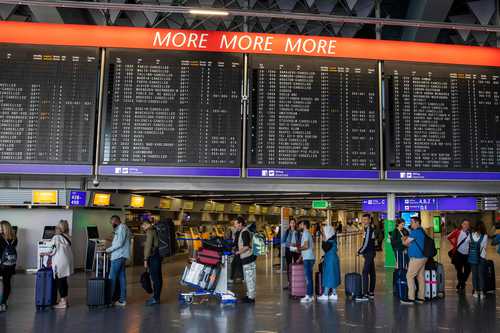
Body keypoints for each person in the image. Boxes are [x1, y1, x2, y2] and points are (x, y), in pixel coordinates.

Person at [46, 220, 74, 309]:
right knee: (64, 281)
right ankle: (65, 300)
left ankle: (63, 302)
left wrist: (46, 254)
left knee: (60, 282)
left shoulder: (56, 237)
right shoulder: (68, 236)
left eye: (57, 226)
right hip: (67, 261)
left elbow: (52, 249)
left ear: (60, 228)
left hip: (59, 261)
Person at [106, 215, 131, 307]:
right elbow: (118, 241)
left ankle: (109, 300)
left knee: (112, 278)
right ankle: (122, 300)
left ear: (115, 221)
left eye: (111, 222)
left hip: (118, 256)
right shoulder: (122, 228)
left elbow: (119, 243)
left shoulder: (122, 228)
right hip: (121, 256)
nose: (111, 224)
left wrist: (108, 250)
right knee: (121, 278)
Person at [401, 217, 426, 305]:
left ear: (417, 223)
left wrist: (403, 239)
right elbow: (413, 242)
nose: (410, 224)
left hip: (416, 258)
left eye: (412, 222)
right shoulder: (422, 231)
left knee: (409, 276)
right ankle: (421, 297)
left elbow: (405, 243)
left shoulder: (415, 232)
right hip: (423, 257)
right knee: (420, 277)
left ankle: (411, 298)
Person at [234, 216, 256, 304]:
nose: (235, 225)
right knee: (248, 278)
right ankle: (249, 295)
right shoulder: (243, 231)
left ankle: (251, 298)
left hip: (248, 259)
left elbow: (246, 246)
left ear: (240, 224)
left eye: (236, 224)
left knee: (250, 278)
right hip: (246, 259)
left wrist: (238, 252)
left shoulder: (244, 232)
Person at [317, 222, 341, 302]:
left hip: (330, 260)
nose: (323, 235)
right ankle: (334, 293)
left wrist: (323, 233)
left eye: (324, 233)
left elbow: (324, 247)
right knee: (333, 275)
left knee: (328, 276)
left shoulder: (328, 242)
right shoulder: (333, 240)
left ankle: (325, 294)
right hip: (334, 259)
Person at [355, 214, 376, 302]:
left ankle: (365, 294)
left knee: (365, 273)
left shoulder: (368, 229)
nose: (364, 221)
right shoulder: (367, 229)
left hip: (369, 253)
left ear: (369, 220)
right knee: (372, 272)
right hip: (371, 252)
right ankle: (371, 292)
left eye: (366, 219)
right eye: (363, 219)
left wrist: (359, 251)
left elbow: (366, 243)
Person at [447, 219, 471, 292]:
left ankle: (461, 282)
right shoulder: (457, 232)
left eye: (467, 224)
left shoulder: (471, 234)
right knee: (459, 270)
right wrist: (454, 244)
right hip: (458, 254)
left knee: (468, 270)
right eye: (464, 224)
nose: (466, 225)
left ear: (469, 226)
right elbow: (449, 237)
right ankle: (462, 284)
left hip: (467, 255)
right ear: (461, 225)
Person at [142, 220, 162, 306]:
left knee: (155, 278)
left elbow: (148, 246)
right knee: (158, 277)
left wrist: (145, 259)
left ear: (146, 225)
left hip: (153, 256)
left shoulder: (150, 231)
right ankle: (157, 297)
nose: (143, 228)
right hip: (158, 255)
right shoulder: (156, 230)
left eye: (143, 226)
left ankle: (155, 299)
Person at [0, 220, 17, 313]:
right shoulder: (14, 238)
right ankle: (4, 303)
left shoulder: (0, 238)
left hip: (2, 265)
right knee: (7, 284)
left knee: (3, 284)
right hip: (11, 265)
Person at [468, 221, 488, 299]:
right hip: (481, 258)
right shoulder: (485, 236)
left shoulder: (471, 235)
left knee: (474, 275)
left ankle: (476, 292)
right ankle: (482, 293)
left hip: (472, 258)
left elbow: (468, 242)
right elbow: (484, 247)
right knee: (481, 275)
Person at [297, 220, 315, 303]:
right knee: (309, 277)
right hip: (308, 257)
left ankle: (308, 296)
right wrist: (300, 258)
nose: (299, 226)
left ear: (304, 225)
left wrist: (298, 249)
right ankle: (310, 295)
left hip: (308, 258)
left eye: (300, 224)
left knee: (308, 278)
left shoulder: (305, 233)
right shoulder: (308, 233)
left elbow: (306, 246)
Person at [283, 217, 301, 290]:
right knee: (289, 265)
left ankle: (297, 282)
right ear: (289, 224)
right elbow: (283, 240)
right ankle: (289, 282)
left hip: (296, 249)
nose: (292, 224)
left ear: (295, 224)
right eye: (291, 223)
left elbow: (300, 241)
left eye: (293, 223)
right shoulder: (287, 231)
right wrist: (288, 244)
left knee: (297, 264)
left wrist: (297, 246)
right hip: (288, 249)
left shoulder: (298, 232)